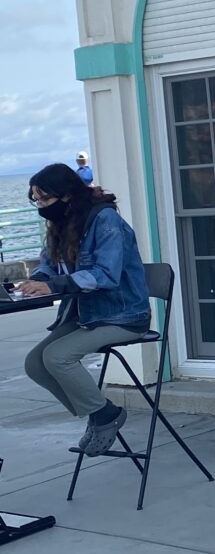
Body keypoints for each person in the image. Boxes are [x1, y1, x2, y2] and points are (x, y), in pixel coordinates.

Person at [19, 163, 151, 456]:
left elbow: (106, 274)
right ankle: (99, 413)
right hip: (86, 314)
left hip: (124, 315)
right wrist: (39, 280)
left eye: (45, 200)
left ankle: (105, 416)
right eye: (36, 201)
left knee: (58, 357)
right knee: (35, 364)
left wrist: (55, 286)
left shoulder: (105, 221)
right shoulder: (61, 223)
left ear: (67, 196)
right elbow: (47, 263)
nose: (41, 206)